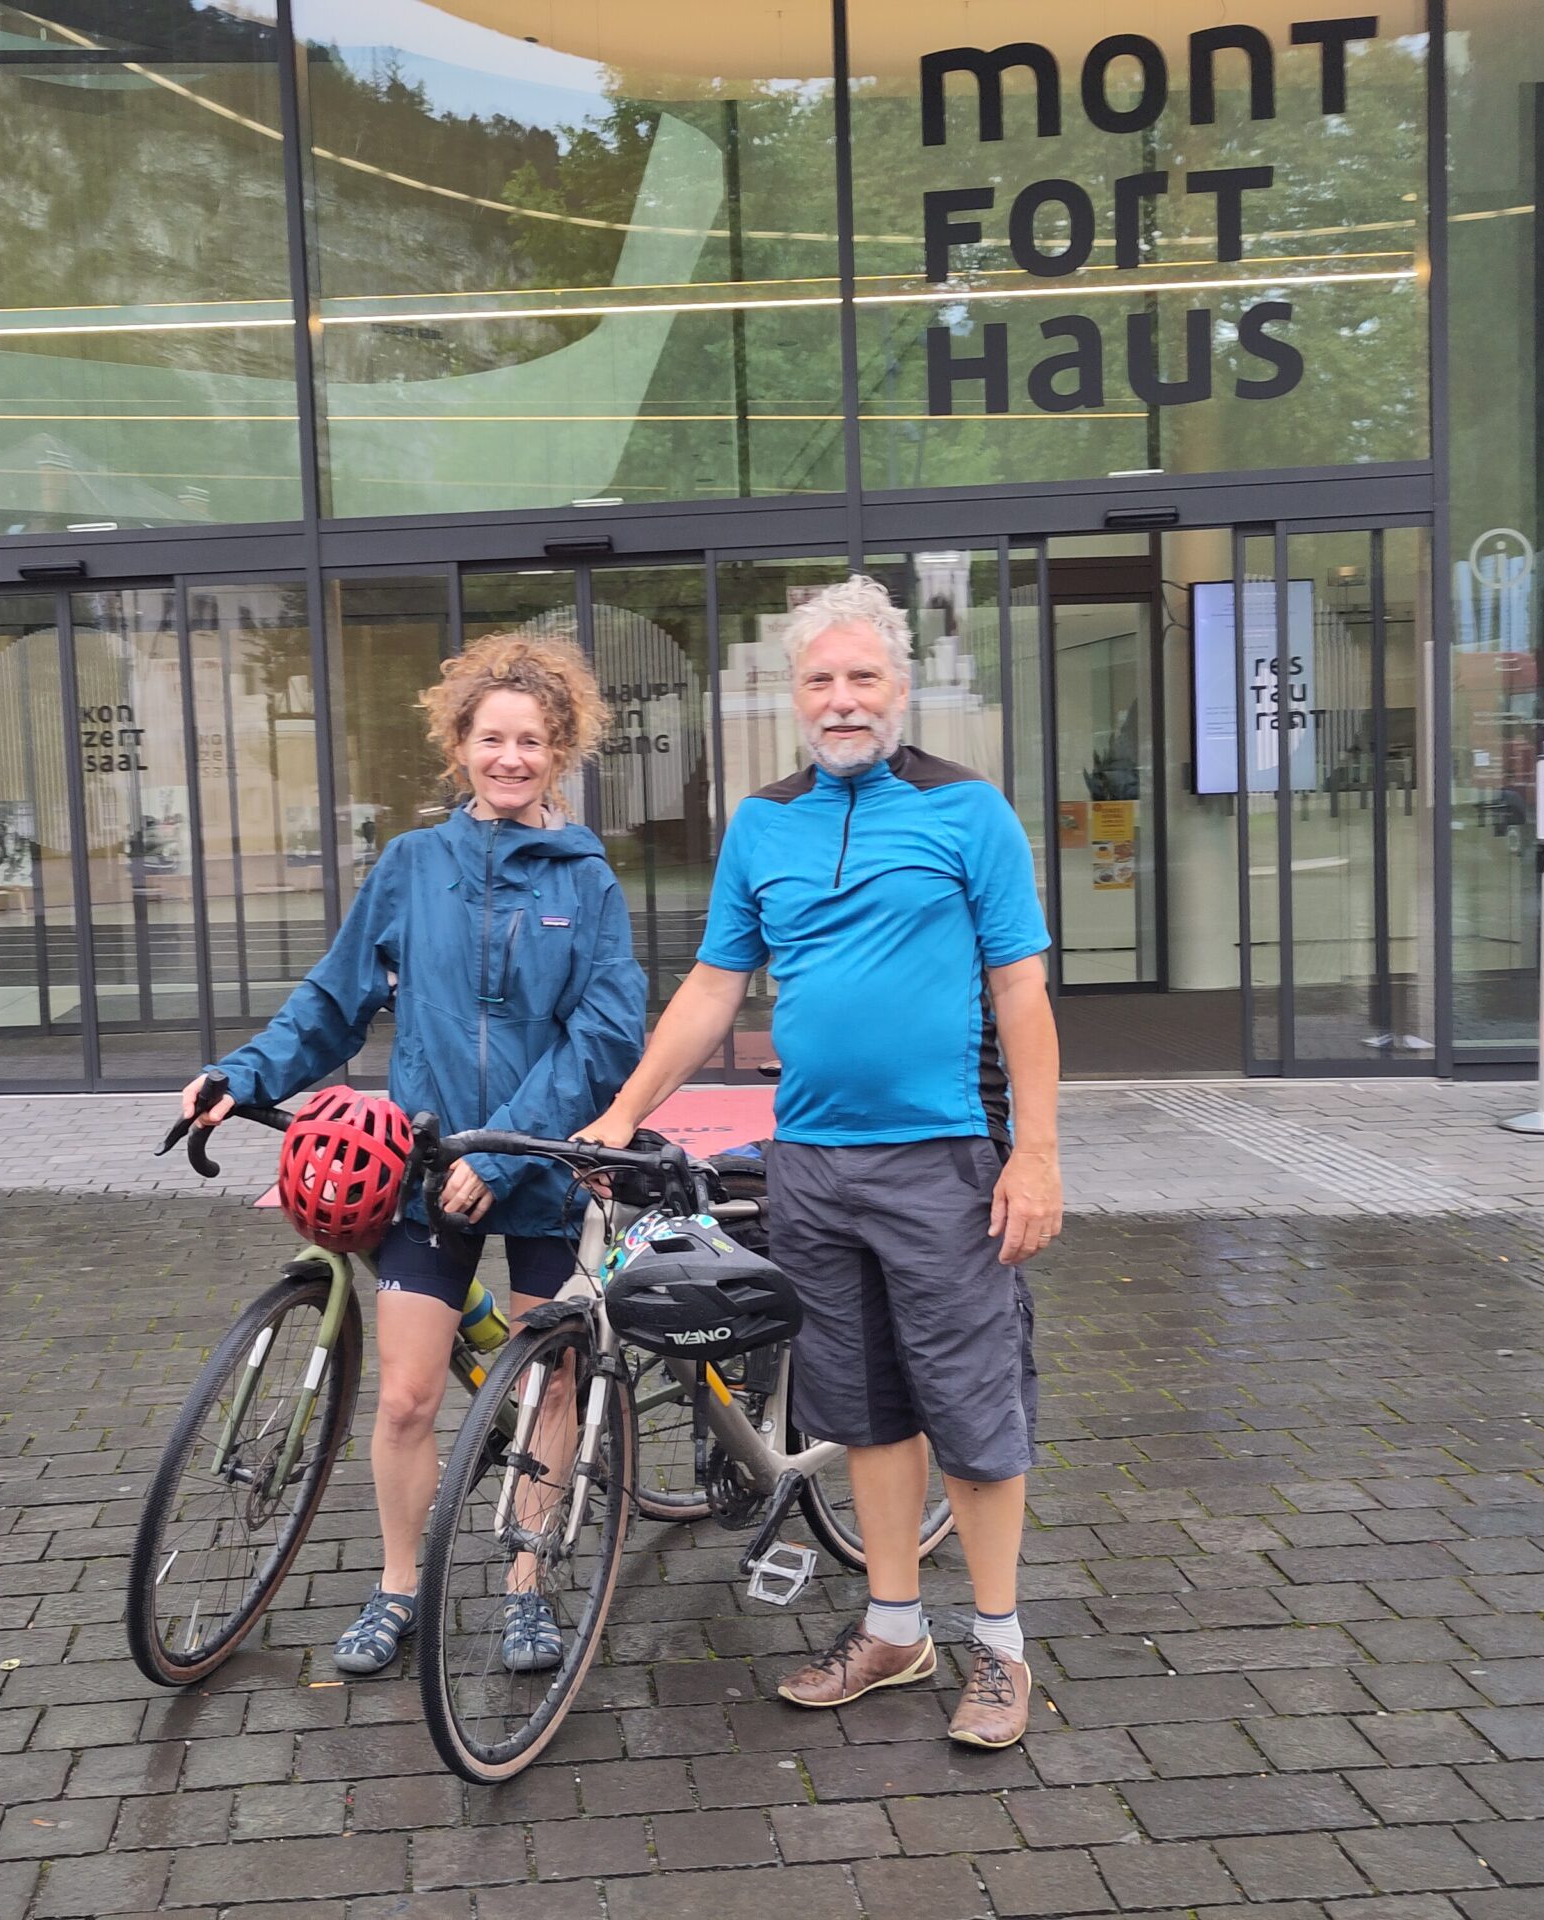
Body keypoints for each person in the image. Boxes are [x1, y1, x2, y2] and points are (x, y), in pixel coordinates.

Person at [581, 574, 1061, 1749]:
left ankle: (998, 1648)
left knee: (972, 1411)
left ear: (901, 686)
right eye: (820, 681)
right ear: (793, 697)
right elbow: (710, 988)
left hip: (945, 1162)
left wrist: (1035, 1153)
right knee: (864, 1411)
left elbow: (1021, 991)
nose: (842, 700)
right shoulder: (763, 823)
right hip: (810, 1166)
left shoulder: (967, 812)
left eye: (862, 678)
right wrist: (619, 1111)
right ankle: (894, 1629)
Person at [181, 635, 646, 1676]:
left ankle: (526, 1582)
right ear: (461, 746)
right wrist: (241, 1077)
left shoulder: (588, 880)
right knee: (405, 1398)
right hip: (427, 1168)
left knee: (552, 1383)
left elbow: (606, 1034)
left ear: (557, 750)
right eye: (493, 738)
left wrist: (518, 1151)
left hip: (539, 1162)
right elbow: (334, 999)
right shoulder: (413, 866)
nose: (511, 757)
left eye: (531, 740)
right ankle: (398, 1586)